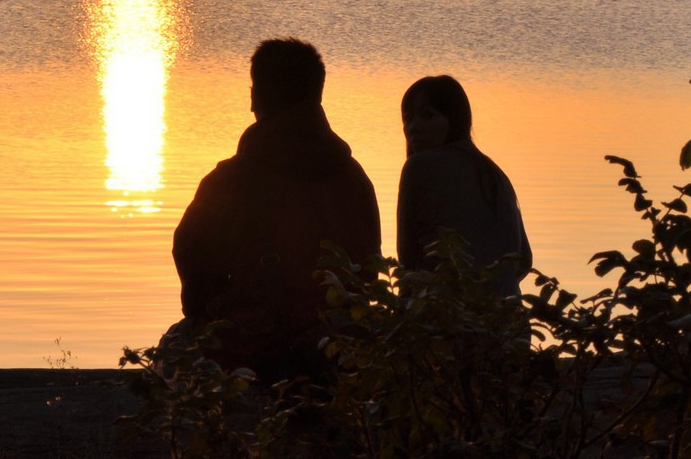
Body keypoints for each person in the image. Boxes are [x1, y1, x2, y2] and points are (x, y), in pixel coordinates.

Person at [171, 38, 381, 377]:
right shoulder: (356, 179)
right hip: (337, 347)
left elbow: (193, 267)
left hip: (252, 350)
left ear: (256, 98)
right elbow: (368, 271)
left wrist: (216, 311)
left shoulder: (230, 180)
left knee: (174, 346)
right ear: (318, 96)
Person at [396, 74, 532, 298]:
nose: (414, 127)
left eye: (427, 115)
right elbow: (524, 260)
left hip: (448, 320)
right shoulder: (494, 172)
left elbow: (407, 259)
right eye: (408, 119)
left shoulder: (419, 167)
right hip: (509, 323)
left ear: (454, 119)